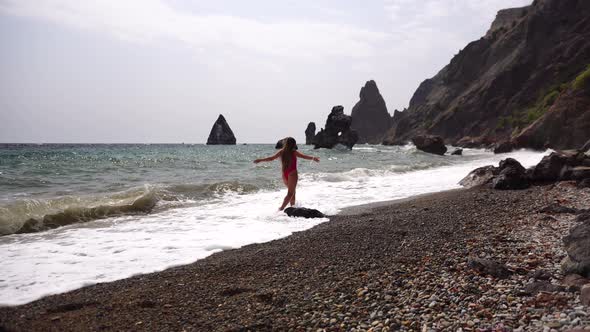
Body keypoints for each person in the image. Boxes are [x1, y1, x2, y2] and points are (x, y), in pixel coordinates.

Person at [254, 137, 320, 211]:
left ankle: (292, 208)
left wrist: (260, 160)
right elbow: (304, 156)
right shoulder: (293, 152)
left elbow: (271, 158)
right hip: (292, 173)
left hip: (284, 174)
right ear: (293, 144)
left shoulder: (281, 152)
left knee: (292, 192)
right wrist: (313, 158)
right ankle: (281, 209)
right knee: (290, 193)